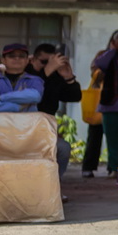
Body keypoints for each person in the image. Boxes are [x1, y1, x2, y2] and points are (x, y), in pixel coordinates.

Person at [28, 43, 84, 173]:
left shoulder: (54, 77)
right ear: (33, 60)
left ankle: (54, 187)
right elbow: (31, 94)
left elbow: (74, 97)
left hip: (45, 129)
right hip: (23, 129)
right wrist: (47, 71)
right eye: (44, 62)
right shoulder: (27, 73)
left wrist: (69, 77)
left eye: (51, 62)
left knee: (63, 148)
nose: (49, 65)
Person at [89, 30, 118, 178]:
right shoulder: (106, 56)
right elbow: (99, 64)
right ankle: (115, 168)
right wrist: (112, 51)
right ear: (113, 42)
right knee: (112, 139)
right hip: (109, 104)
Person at [0, 44, 45, 113]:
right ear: (3, 60)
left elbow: (35, 96)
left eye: (21, 56)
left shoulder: (35, 80)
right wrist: (17, 107)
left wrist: (1, 98)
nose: (17, 58)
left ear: (27, 60)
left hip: (28, 124)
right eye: (11, 56)